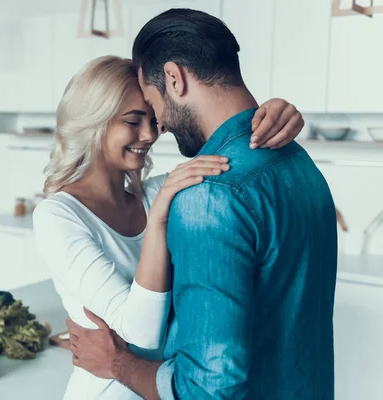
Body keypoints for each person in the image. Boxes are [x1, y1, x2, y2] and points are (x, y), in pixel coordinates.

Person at [66, 8, 337, 400]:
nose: (159, 125)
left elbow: (209, 390)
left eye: (152, 102)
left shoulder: (208, 195)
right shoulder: (298, 161)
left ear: (174, 78)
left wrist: (119, 365)